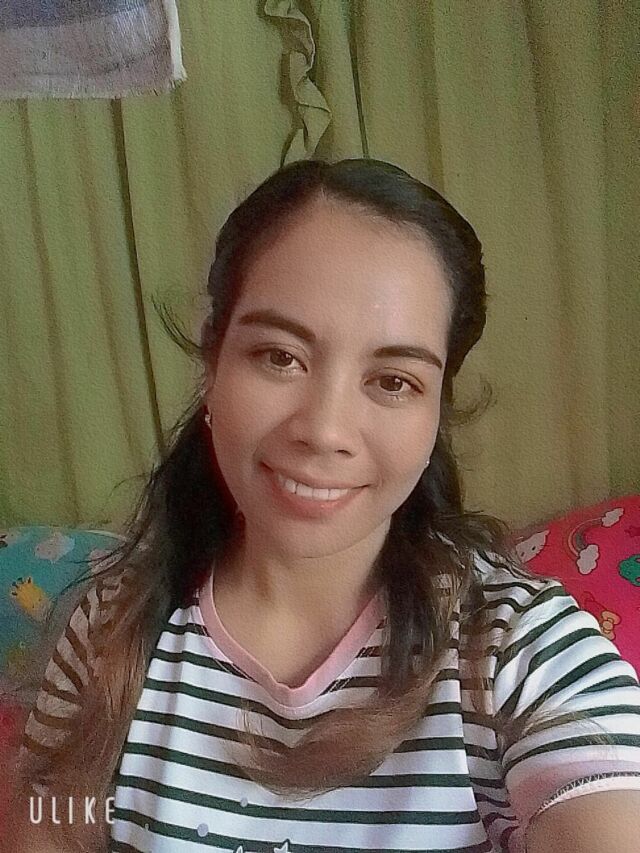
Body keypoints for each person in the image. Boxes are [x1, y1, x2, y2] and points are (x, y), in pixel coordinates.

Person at [8, 158, 640, 853]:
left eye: (393, 380)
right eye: (280, 357)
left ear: (436, 411)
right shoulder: (109, 630)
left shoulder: (516, 650)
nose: (324, 430)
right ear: (212, 363)